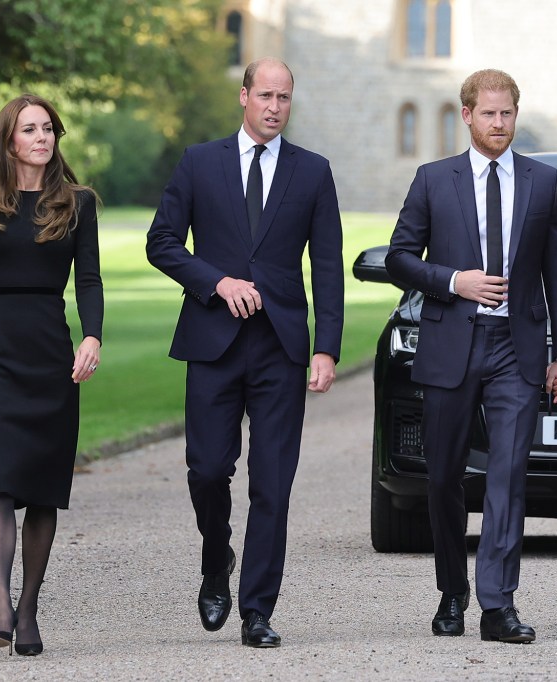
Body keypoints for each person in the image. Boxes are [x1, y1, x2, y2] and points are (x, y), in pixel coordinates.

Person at [146, 57, 343, 648]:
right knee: (207, 471)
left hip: (280, 346)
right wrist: (216, 282)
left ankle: (257, 610)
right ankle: (216, 558)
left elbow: (328, 267)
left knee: (273, 485)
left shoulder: (313, 172)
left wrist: (326, 348)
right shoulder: (200, 162)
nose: (275, 107)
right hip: (213, 341)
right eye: (265, 95)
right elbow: (161, 242)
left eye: (284, 97)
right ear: (244, 96)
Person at [386, 69, 557, 643]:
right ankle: (453, 590)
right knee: (443, 475)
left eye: (507, 114)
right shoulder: (432, 180)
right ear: (465, 115)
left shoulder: (544, 181)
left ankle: (498, 604)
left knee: (508, 474)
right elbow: (399, 257)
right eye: (488, 113)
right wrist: (454, 281)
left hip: (515, 351)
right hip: (450, 344)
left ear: (516, 115)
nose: (499, 124)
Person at [0, 94, 103, 656]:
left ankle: (29, 609)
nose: (42, 137)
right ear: (9, 140)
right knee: (1, 484)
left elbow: (90, 281)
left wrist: (91, 335)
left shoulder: (78, 203)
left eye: (48, 129)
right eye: (30, 129)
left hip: (50, 356)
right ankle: (2, 605)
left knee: (42, 491)